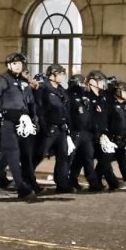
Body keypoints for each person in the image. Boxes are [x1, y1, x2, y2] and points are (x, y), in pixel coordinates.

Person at [0, 52, 38, 202]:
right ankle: (22, 188)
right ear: (8, 65)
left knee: (20, 154)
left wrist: (35, 119)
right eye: (15, 63)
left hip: (23, 122)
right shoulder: (2, 80)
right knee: (13, 155)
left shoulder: (24, 82)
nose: (18, 65)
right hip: (8, 121)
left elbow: (31, 103)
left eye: (20, 63)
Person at [34, 64, 73, 193]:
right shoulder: (43, 89)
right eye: (60, 73)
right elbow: (39, 110)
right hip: (48, 128)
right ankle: (26, 180)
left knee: (63, 156)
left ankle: (62, 184)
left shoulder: (62, 90)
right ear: (52, 75)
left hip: (61, 128)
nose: (63, 76)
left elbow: (66, 110)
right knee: (39, 154)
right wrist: (44, 127)